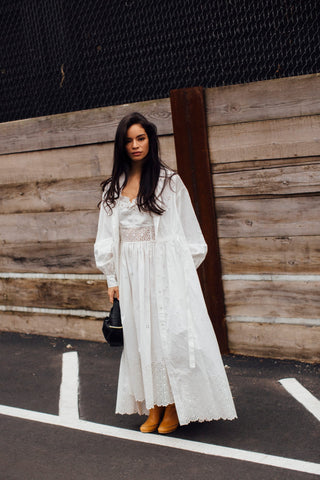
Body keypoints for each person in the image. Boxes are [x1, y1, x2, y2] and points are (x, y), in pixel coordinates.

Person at [94, 112, 237, 434]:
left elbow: (190, 236)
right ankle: (154, 406)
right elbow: (105, 237)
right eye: (128, 140)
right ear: (121, 145)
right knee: (142, 341)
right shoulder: (112, 190)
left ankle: (174, 405)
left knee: (169, 338)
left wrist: (177, 276)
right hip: (130, 275)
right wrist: (112, 278)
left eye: (140, 138)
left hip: (165, 272)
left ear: (151, 140)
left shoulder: (169, 183)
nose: (135, 145)